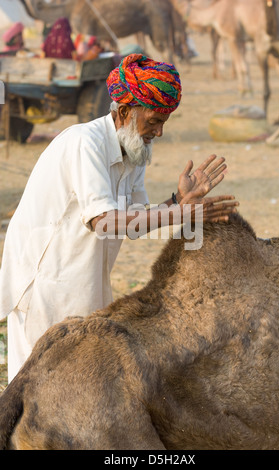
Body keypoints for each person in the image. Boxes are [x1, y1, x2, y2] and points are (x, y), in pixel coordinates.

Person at [0, 54, 239, 382]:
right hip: (43, 281)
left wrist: (177, 200)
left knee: (77, 384)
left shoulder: (134, 150)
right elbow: (105, 223)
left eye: (164, 122)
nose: (159, 131)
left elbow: (134, 222)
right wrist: (179, 212)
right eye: (154, 120)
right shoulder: (86, 143)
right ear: (125, 112)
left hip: (80, 277)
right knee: (35, 390)